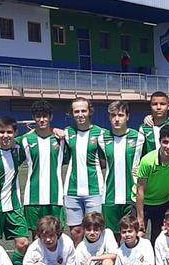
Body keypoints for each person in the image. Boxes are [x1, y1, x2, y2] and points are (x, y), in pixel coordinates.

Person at [18, 100, 67, 240]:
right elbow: (6, 146)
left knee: (57, 233)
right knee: (36, 235)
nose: (42, 119)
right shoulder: (25, 139)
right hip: (33, 196)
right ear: (34, 118)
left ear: (51, 117)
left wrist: (58, 130)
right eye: (38, 116)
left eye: (45, 116)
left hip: (55, 195)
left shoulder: (61, 139)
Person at [62, 97, 107, 245]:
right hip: (72, 191)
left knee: (94, 229)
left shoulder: (101, 133)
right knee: (76, 232)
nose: (80, 114)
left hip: (94, 190)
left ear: (89, 112)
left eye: (83, 110)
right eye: (76, 111)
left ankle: (96, 263)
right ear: (72, 114)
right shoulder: (68, 133)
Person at [135, 125, 169, 239]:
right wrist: (140, 217)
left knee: (160, 237)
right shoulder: (147, 161)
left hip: (162, 203)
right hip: (143, 203)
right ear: (159, 141)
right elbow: (140, 190)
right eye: (165, 142)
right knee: (138, 237)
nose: (168, 146)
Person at [98, 100, 143, 235]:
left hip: (132, 196)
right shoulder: (102, 138)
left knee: (131, 236)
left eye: (121, 115)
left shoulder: (139, 137)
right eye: (113, 115)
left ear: (127, 116)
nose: (117, 119)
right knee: (111, 237)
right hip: (110, 197)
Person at [0, 116, 26, 245]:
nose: (5, 135)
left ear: (15, 133)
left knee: (23, 243)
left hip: (14, 206)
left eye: (9, 132)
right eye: (2, 132)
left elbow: (34, 134)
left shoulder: (18, 149)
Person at [139, 90, 169, 156]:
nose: (158, 107)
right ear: (150, 106)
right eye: (155, 104)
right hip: (152, 165)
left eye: (162, 104)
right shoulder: (144, 128)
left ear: (168, 106)